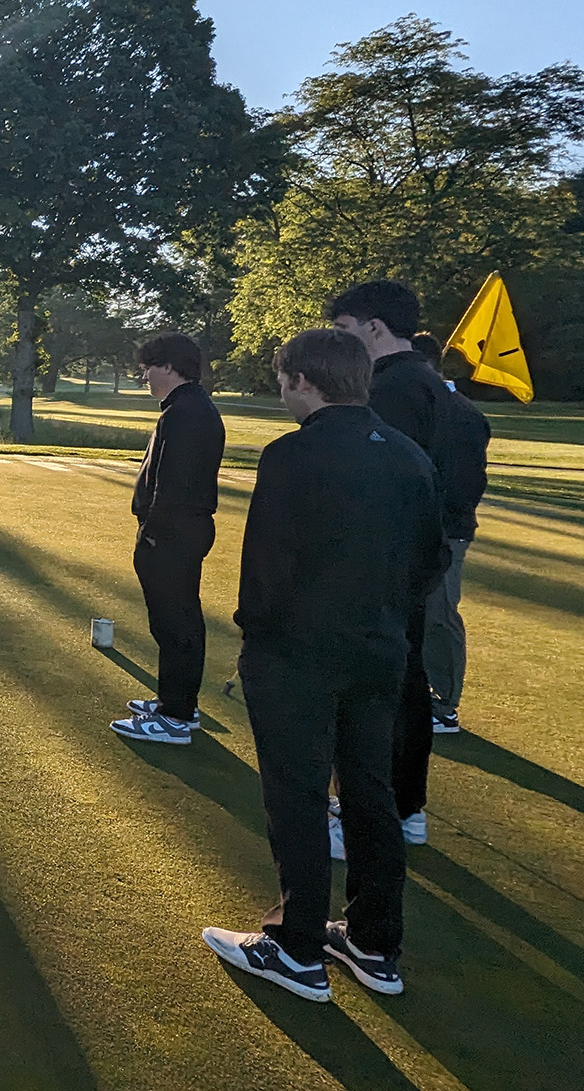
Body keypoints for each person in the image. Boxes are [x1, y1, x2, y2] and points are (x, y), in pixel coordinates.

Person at [202, 328, 446, 1003]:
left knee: (300, 793)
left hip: (298, 656)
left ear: (304, 380)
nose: (283, 390)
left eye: (284, 379)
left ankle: (296, 945)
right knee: (370, 792)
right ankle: (373, 940)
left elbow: (267, 570)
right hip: (381, 650)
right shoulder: (410, 457)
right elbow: (432, 563)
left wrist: (256, 634)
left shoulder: (291, 456)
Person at [327, 281, 453, 844]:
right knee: (400, 682)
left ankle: (388, 812)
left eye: (344, 331)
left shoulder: (393, 388)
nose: (338, 343)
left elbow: (384, 484)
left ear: (374, 328)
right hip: (406, 559)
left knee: (386, 688)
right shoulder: (421, 382)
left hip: (387, 563)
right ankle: (403, 807)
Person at [112, 332, 227, 745]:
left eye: (148, 368)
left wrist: (154, 534)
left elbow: (174, 486)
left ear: (168, 367)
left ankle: (176, 715)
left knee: (176, 623)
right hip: (179, 531)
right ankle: (174, 701)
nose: (145, 377)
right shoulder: (186, 408)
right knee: (172, 622)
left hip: (174, 533)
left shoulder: (186, 414)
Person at [410, 333, 490, 735]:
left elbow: (465, 484)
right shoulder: (422, 406)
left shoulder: (460, 413)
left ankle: (443, 702)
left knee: (438, 614)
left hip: (446, 530)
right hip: (412, 527)